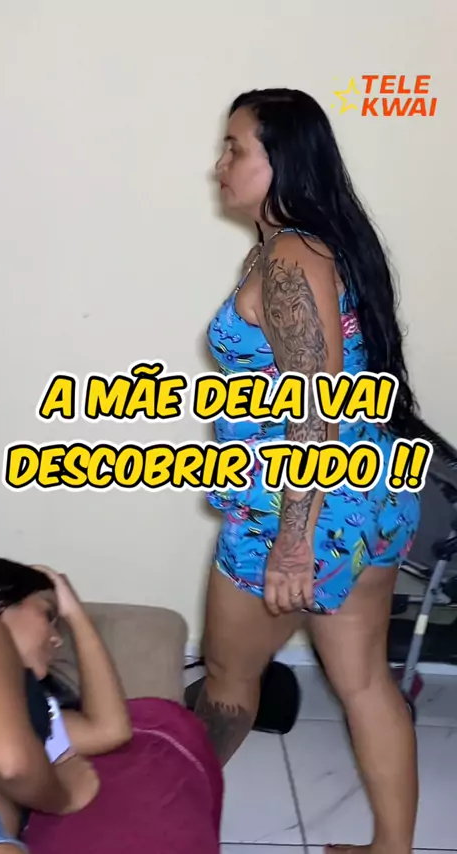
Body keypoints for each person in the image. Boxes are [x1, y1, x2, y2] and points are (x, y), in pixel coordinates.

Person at [194, 88, 421, 854]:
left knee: (227, 681)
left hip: (294, 512)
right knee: (364, 682)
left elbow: (314, 408)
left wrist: (293, 543)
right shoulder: (319, 245)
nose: (220, 164)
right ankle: (391, 850)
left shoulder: (291, 257)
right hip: (369, 495)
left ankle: (162, 825)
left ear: (282, 161)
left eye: (236, 148)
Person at [0, 557, 132, 852]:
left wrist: (75, 613)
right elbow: (11, 764)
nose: (57, 639)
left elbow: (110, 729)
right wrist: (64, 795)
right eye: (47, 614)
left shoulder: (33, 712)